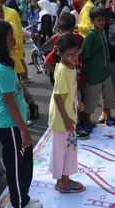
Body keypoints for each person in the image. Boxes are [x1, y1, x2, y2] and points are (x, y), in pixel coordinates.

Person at [0, 20, 43, 208]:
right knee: (17, 167)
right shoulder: (2, 70)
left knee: (24, 163)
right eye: (10, 38)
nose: (13, 42)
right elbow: (9, 102)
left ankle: (22, 198)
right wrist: (23, 130)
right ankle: (19, 203)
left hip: (15, 124)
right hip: (11, 126)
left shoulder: (6, 65)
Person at [48, 33, 85, 194]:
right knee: (61, 149)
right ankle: (62, 181)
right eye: (69, 55)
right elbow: (57, 97)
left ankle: (65, 178)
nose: (73, 57)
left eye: (75, 53)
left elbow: (70, 90)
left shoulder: (70, 67)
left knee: (69, 148)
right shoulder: (63, 70)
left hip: (68, 115)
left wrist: (77, 102)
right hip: (63, 119)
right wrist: (67, 120)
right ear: (59, 54)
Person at [80, 6, 115, 128]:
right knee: (91, 100)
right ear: (92, 21)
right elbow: (84, 55)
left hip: (105, 72)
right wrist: (88, 71)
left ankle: (108, 117)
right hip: (94, 74)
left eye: (103, 20)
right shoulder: (90, 35)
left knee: (108, 97)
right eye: (98, 20)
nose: (102, 22)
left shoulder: (103, 32)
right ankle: (86, 121)